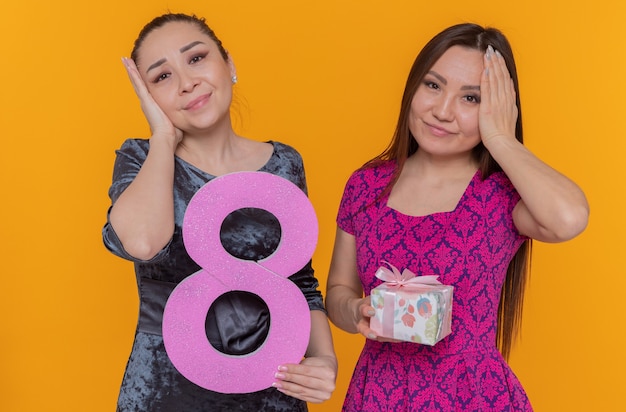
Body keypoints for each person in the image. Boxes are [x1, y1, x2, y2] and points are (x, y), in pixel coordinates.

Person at [325, 23, 589, 411]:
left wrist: (501, 138)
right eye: (433, 86)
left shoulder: (500, 193)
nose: (443, 111)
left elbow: (569, 218)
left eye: (471, 98)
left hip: (474, 396)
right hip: (378, 395)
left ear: (495, 109)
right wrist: (354, 311)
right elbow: (337, 292)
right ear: (413, 87)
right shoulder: (366, 185)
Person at [102, 12, 336, 411]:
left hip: (271, 386)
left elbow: (300, 281)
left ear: (229, 65)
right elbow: (142, 242)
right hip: (163, 392)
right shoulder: (141, 158)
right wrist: (162, 137)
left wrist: (324, 359)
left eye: (196, 59)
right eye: (162, 77)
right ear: (148, 98)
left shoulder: (285, 163)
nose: (187, 82)